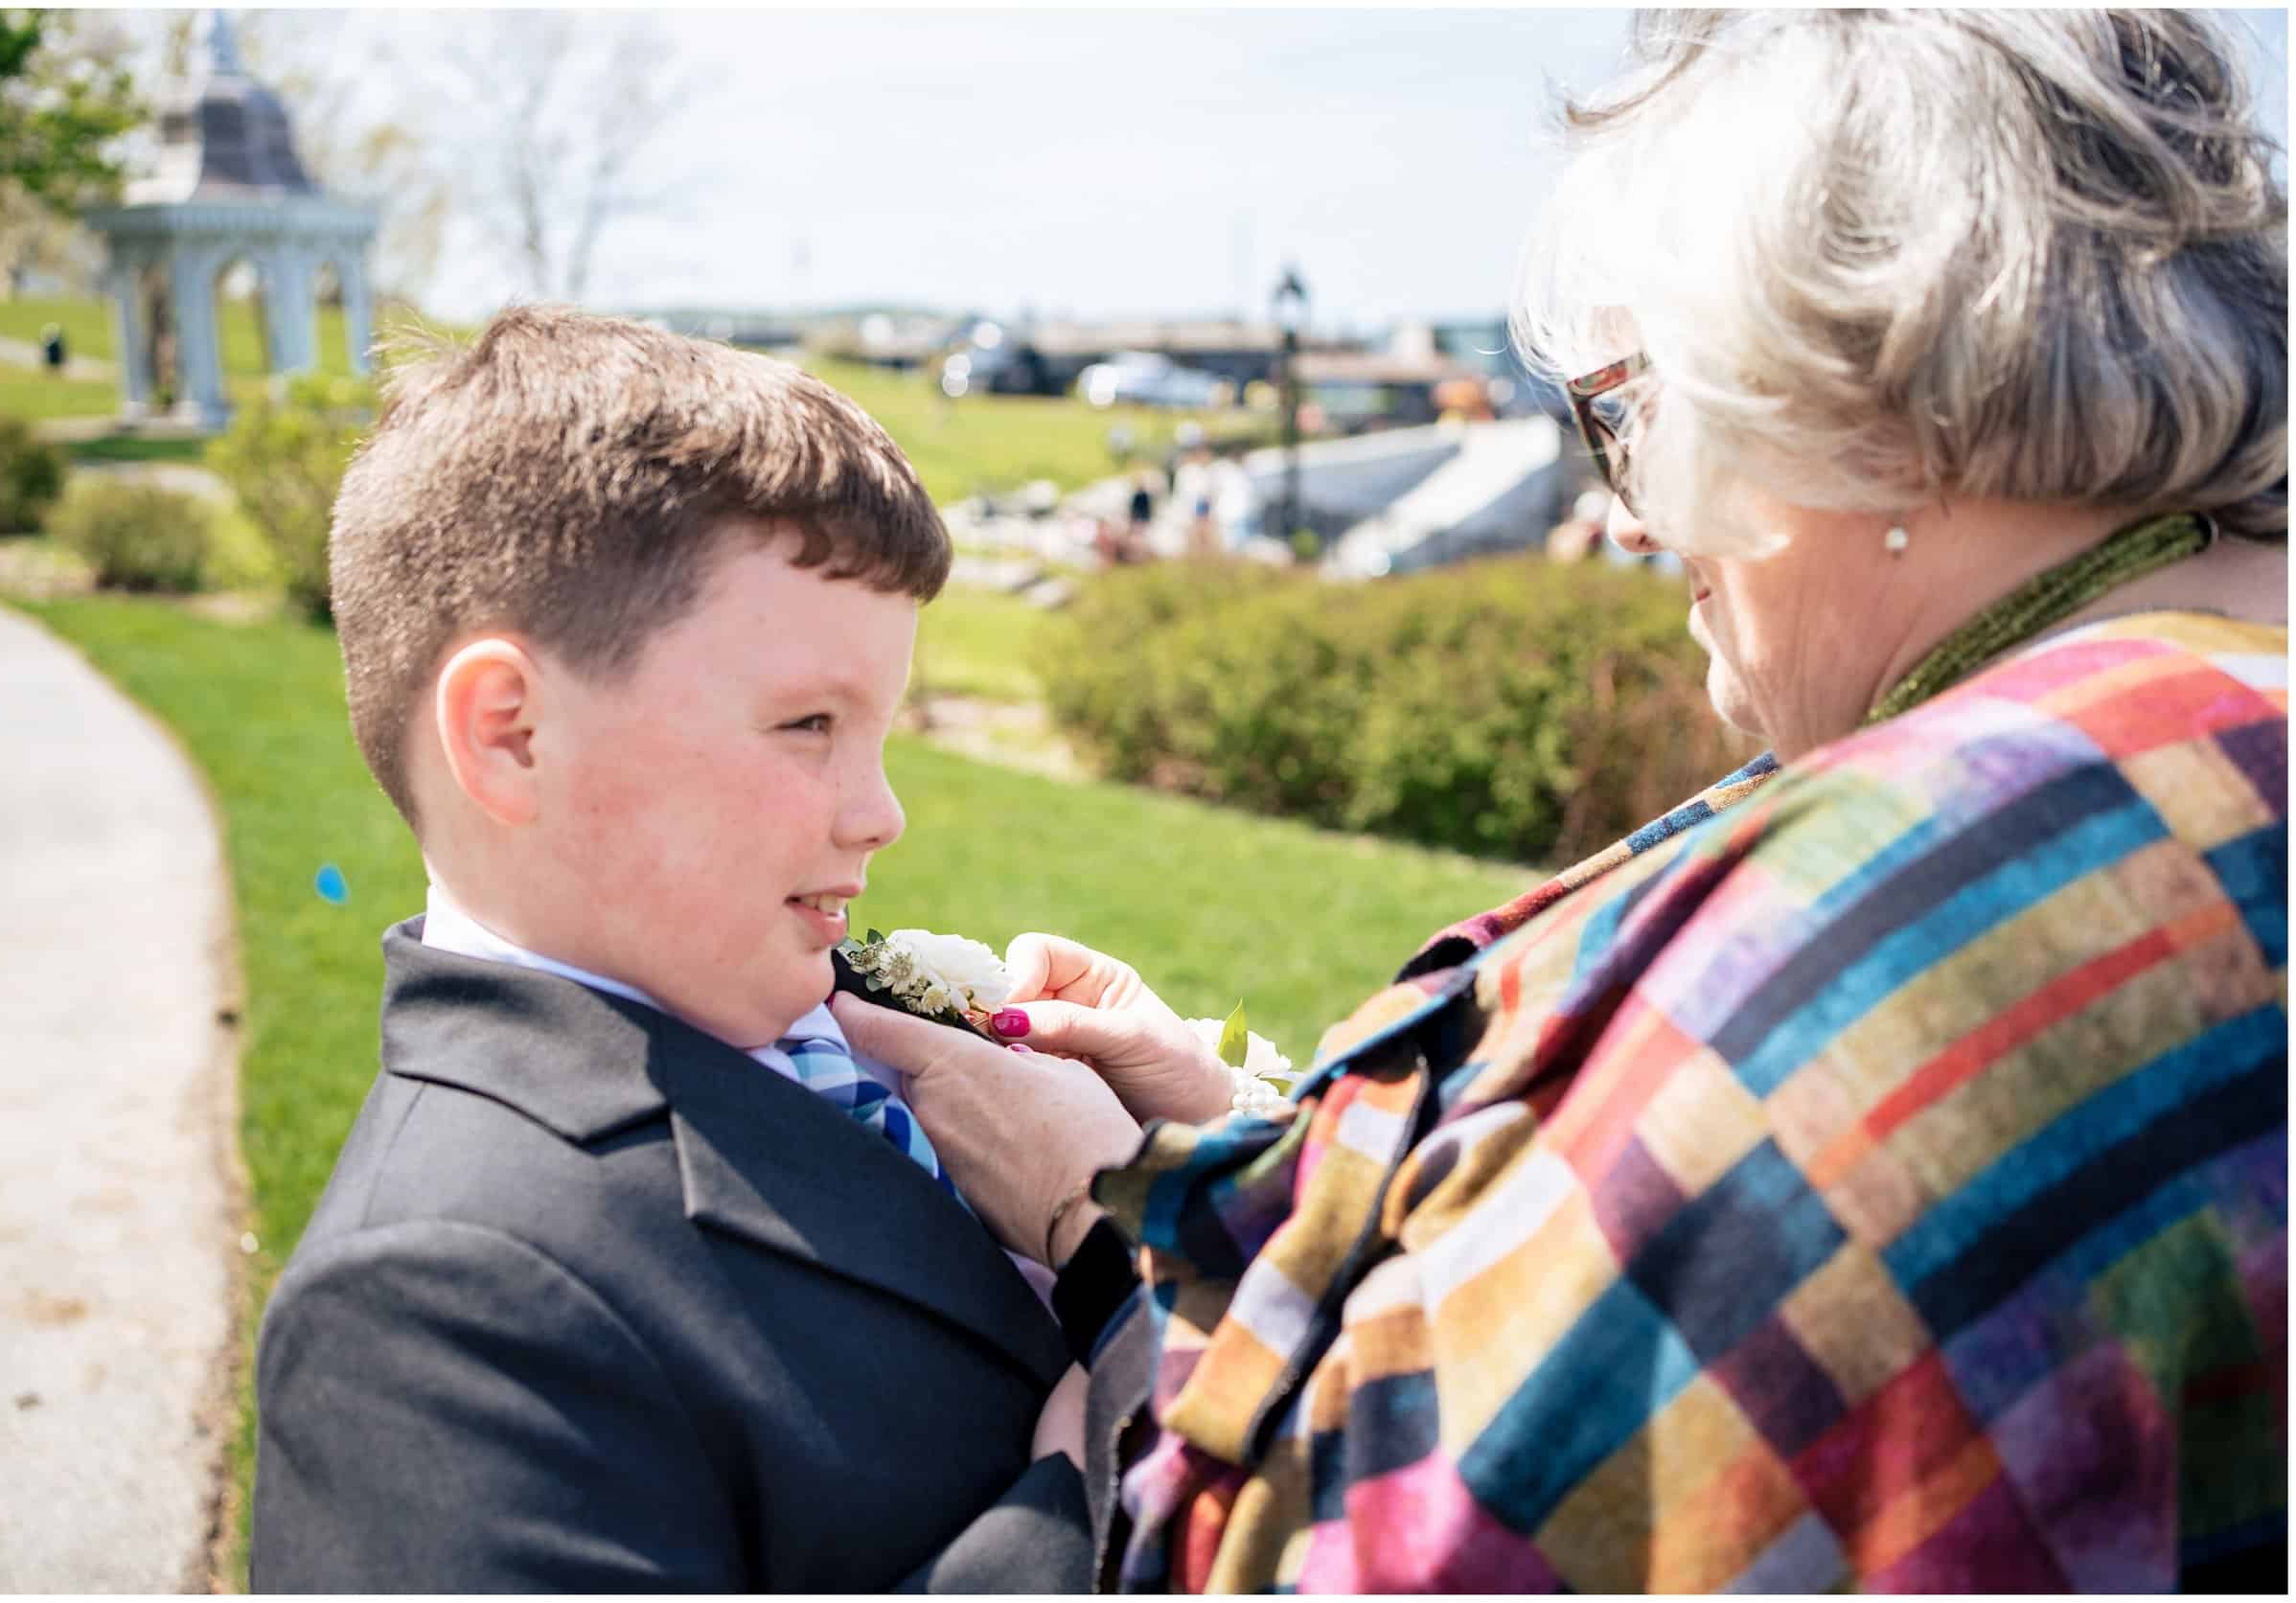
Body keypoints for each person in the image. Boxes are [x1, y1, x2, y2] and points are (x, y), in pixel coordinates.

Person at [837, 10, 2286, 1592]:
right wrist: (1244, 1143)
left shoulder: (1917, 925)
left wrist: (1094, 1220)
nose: (1633, 519)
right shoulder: (2204, 741)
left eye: (1630, 410)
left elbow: (1398, 1546)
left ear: (1840, 389)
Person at [249, 308, 1095, 1591]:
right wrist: (1093, 1482)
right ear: (513, 735)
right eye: (809, 722)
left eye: (881, 732)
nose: (882, 813)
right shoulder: (437, 1298)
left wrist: (1182, 1157)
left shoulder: (843, 1017)